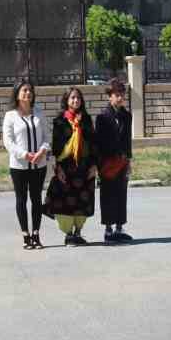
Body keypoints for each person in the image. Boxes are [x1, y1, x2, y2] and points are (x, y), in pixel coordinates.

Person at [44, 86, 97, 246]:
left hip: (84, 168)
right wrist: (57, 168)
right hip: (66, 168)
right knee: (65, 201)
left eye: (78, 98)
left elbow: (94, 144)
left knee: (83, 200)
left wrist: (94, 165)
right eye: (72, 98)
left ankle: (78, 233)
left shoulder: (86, 120)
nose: (76, 100)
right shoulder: (60, 121)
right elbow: (56, 147)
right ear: (66, 100)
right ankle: (68, 234)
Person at [3, 79, 49, 249]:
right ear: (17, 94)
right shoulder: (10, 116)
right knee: (21, 199)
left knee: (36, 199)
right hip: (19, 166)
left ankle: (36, 234)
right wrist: (25, 155)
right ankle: (25, 235)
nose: (27, 93)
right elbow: (8, 142)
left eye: (30, 90)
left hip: (39, 164)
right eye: (24, 90)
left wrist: (42, 151)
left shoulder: (39, 112)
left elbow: (47, 136)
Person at [94, 77, 134, 242]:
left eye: (122, 94)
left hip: (122, 161)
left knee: (121, 194)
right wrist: (99, 165)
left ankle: (119, 228)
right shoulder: (102, 117)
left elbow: (127, 140)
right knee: (107, 195)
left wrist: (129, 160)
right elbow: (98, 143)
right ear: (109, 96)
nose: (120, 97)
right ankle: (108, 230)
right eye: (116, 94)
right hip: (107, 163)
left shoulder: (127, 115)